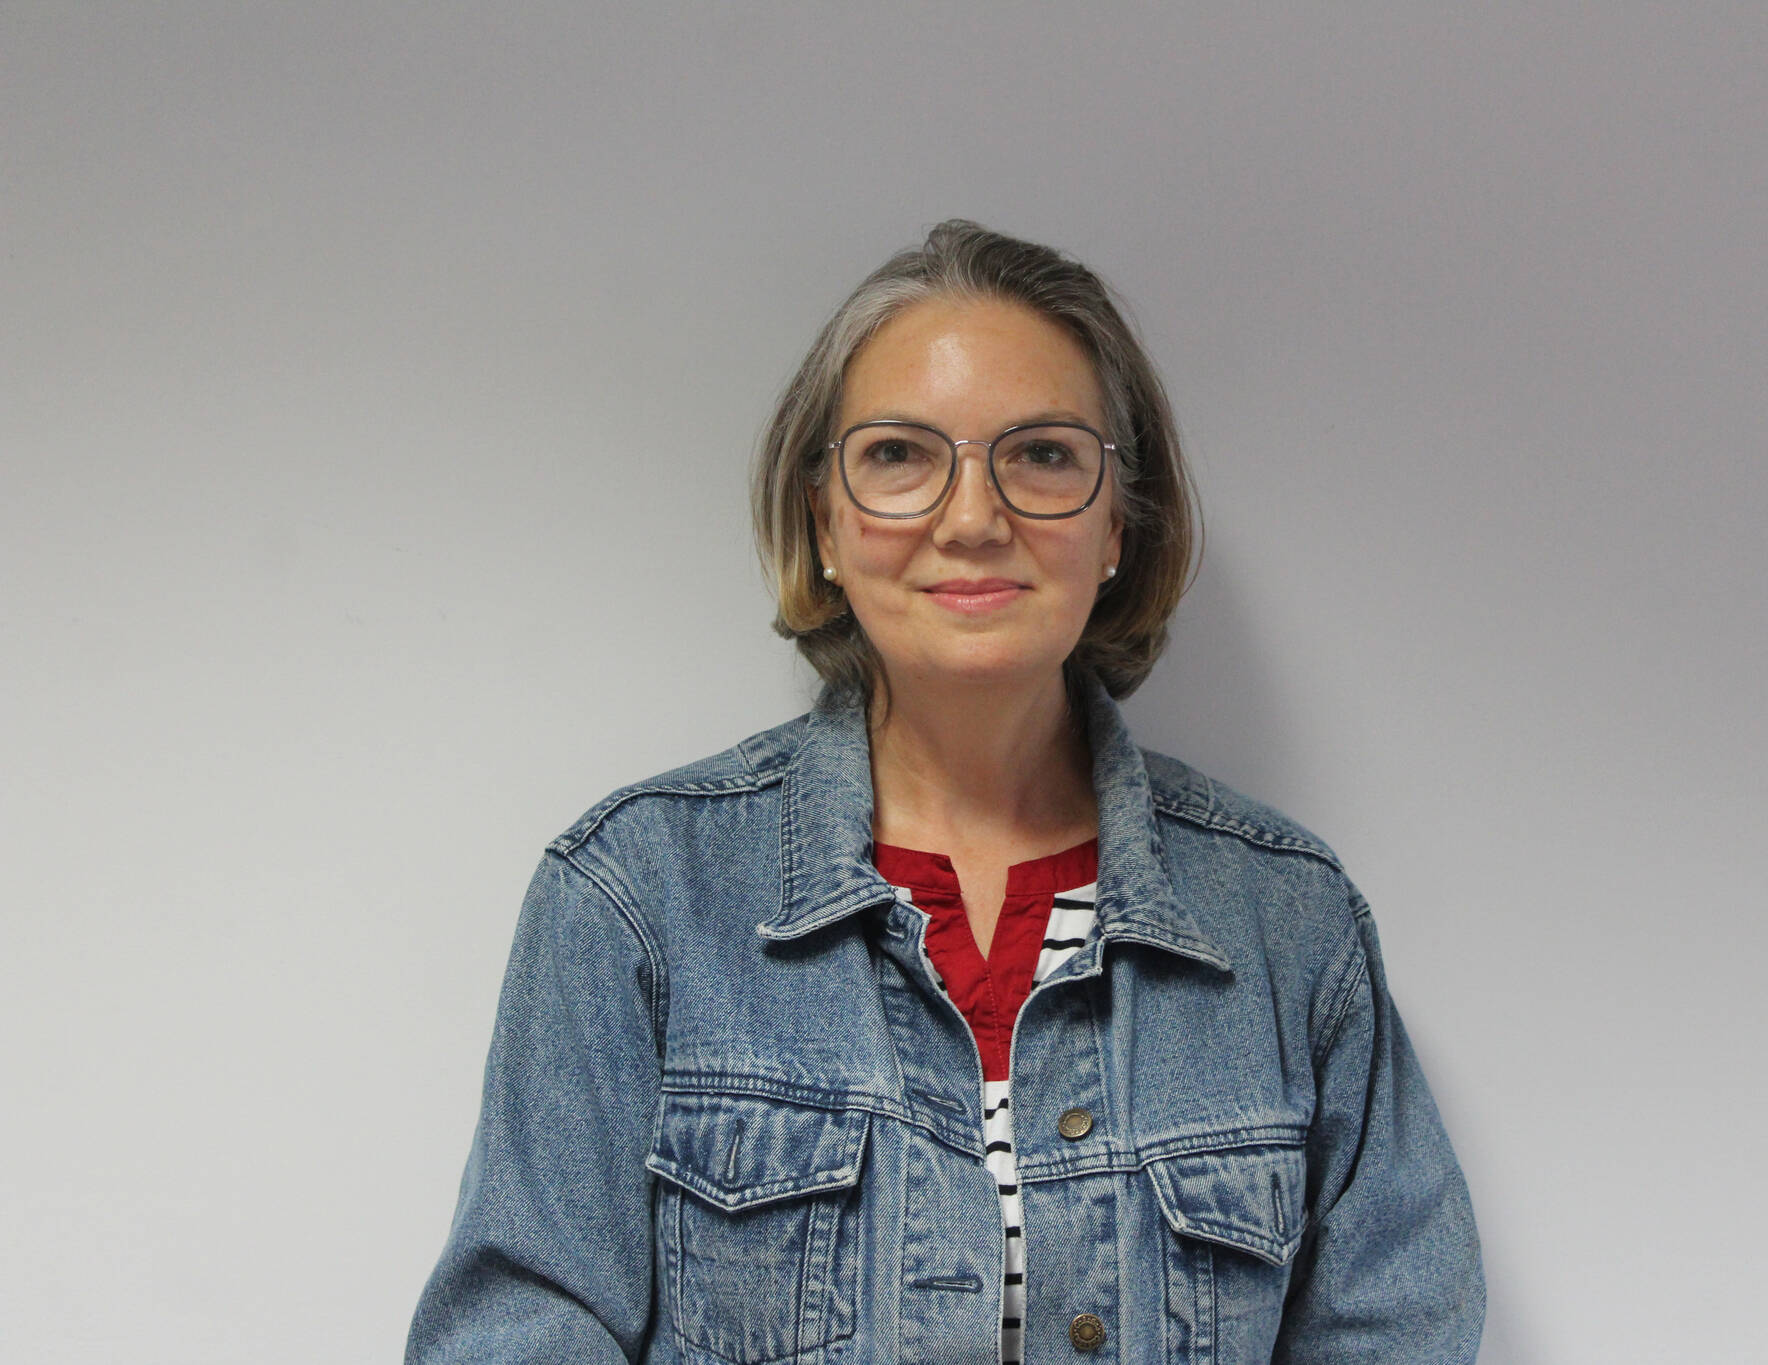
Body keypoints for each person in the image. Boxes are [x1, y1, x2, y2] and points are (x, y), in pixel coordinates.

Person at [406, 220, 1484, 1363]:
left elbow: (1395, 1324)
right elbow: (517, 1330)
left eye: (1042, 455)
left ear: (1118, 522)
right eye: (899, 455)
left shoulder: (1287, 919)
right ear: (823, 518)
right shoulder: (635, 897)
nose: (972, 519)